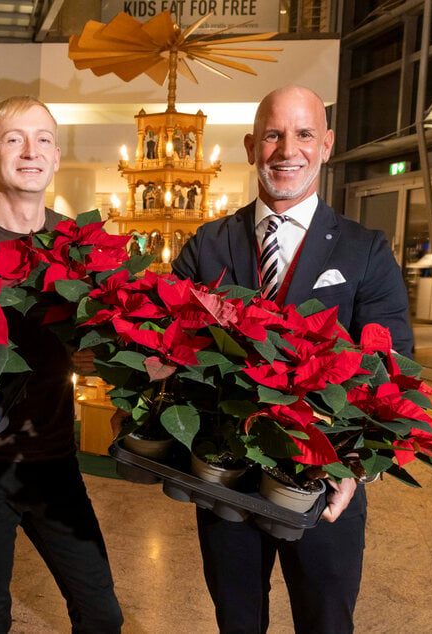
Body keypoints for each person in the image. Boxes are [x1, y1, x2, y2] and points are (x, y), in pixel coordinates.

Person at [171, 85, 414, 633]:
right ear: (250, 144)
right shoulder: (207, 245)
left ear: (325, 145)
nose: (288, 150)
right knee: (237, 621)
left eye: (304, 134)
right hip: (227, 480)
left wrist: (354, 467)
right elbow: (166, 346)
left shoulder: (364, 248)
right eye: (274, 134)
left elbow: (392, 368)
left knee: (325, 622)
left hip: (324, 483)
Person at [0, 96, 123, 634]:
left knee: (101, 612)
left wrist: (98, 352)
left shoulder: (78, 244)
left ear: (57, 156)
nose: (30, 151)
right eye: (14, 139)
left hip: (55, 457)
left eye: (42, 140)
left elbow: (112, 329)